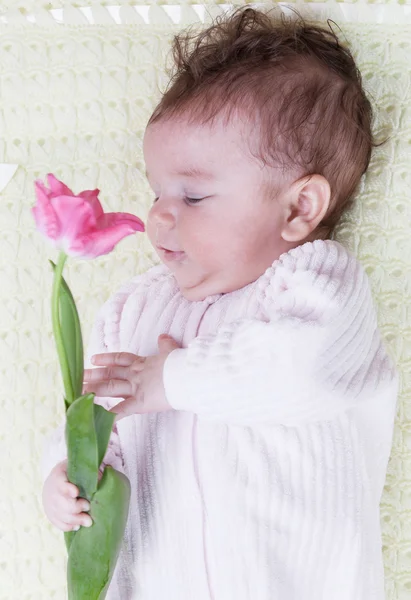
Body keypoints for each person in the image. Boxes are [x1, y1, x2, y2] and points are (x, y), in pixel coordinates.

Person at [41, 7, 398, 600]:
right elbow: (95, 420)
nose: (159, 214)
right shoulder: (135, 309)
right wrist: (66, 478)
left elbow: (297, 370)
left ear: (299, 209)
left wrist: (171, 380)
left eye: (194, 194)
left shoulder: (315, 285)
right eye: (157, 190)